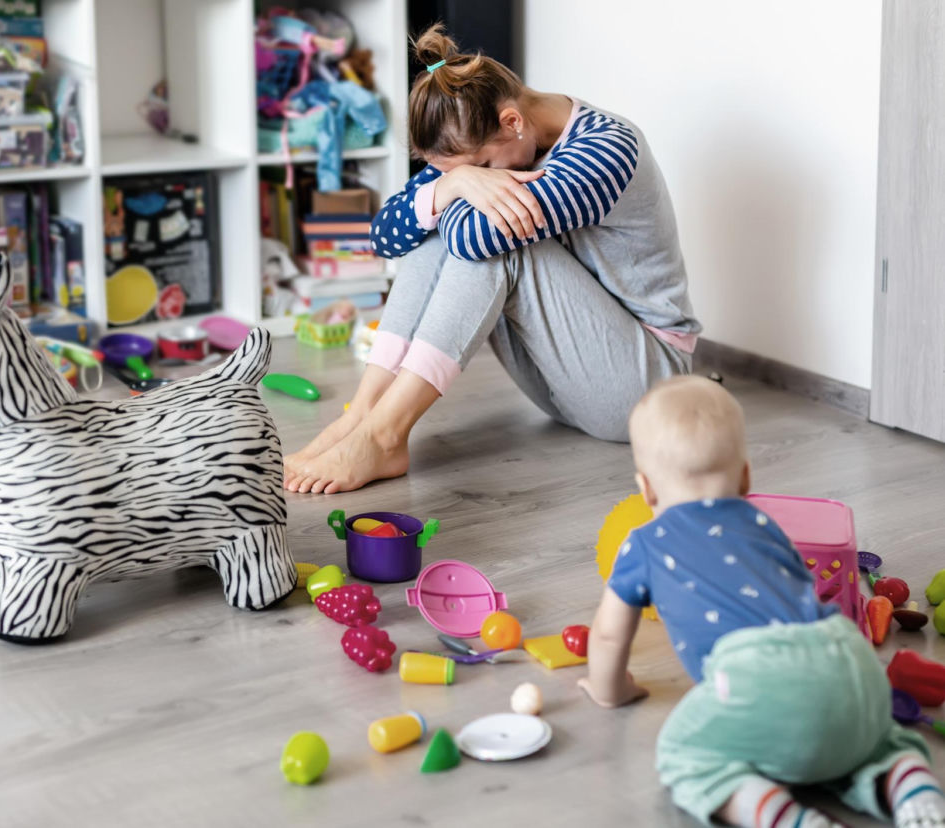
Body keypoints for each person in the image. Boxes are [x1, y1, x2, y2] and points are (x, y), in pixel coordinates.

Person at [283, 24, 700, 494]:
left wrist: (452, 190)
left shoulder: (605, 148)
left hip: (645, 387)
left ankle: (384, 435)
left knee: (489, 240)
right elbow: (384, 236)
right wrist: (455, 183)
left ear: (512, 123)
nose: (474, 179)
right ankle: (363, 413)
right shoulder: (481, 141)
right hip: (565, 382)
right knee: (434, 224)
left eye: (479, 168)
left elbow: (473, 242)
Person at [578, 375, 945, 828]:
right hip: (845, 653)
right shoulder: (763, 521)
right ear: (747, 476)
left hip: (756, 678)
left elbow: (610, 634)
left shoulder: (644, 543)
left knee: (682, 754)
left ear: (645, 488)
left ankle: (782, 816)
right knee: (876, 740)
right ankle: (907, 783)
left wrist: (610, 690)